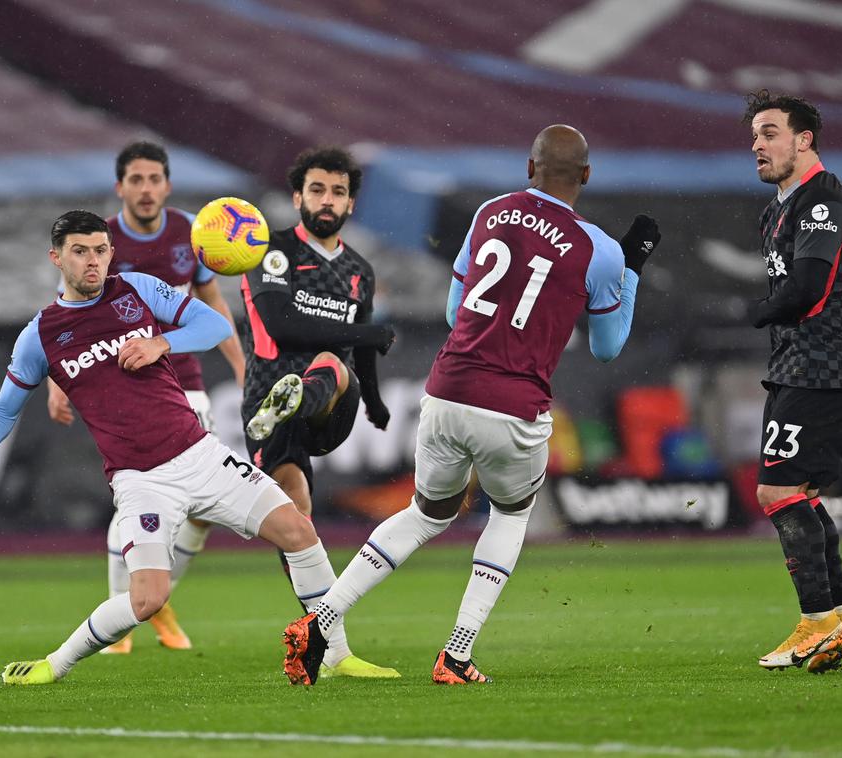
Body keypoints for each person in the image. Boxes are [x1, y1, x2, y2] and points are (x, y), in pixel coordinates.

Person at [0, 210, 342, 687]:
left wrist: (162, 343)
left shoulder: (137, 289)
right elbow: (3, 413)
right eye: (80, 252)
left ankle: (338, 653)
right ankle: (53, 665)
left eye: (101, 250)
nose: (93, 261)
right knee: (148, 600)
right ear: (56, 257)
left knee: (298, 529)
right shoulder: (40, 336)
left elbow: (213, 326)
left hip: (203, 456)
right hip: (142, 481)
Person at [281, 125, 661, 685]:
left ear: (529, 168)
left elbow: (455, 313)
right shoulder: (599, 249)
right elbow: (606, 349)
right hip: (514, 403)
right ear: (585, 175)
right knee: (510, 514)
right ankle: (456, 654)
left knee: (425, 513)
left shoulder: (489, 213)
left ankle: (321, 619)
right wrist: (630, 271)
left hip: (447, 390)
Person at [46, 141, 246, 654]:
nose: (146, 188)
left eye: (154, 178)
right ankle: (125, 615)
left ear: (167, 185)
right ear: (120, 188)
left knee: (202, 510)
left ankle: (156, 599)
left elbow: (210, 299)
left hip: (185, 379)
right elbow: (66, 312)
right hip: (125, 386)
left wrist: (243, 365)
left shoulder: (190, 232)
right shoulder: (100, 240)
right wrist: (55, 380)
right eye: (135, 179)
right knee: (141, 497)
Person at [240, 146, 399, 680]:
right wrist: (364, 333)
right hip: (265, 396)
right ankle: (330, 648)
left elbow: (359, 353)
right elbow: (282, 326)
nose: (326, 200)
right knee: (296, 519)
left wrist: (374, 402)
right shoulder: (274, 251)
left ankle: (298, 396)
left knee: (332, 363)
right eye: (316, 190)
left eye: (336, 191)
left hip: (331, 403)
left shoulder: (359, 271)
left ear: (350, 203)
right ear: (297, 197)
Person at [741, 90, 842, 672]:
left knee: (776, 491)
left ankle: (816, 625)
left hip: (825, 366)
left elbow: (809, 287)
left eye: (770, 133)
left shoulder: (823, 200)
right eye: (753, 136)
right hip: (799, 365)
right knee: (801, 495)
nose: (757, 145)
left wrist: (754, 312)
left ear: (805, 140)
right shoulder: (777, 209)